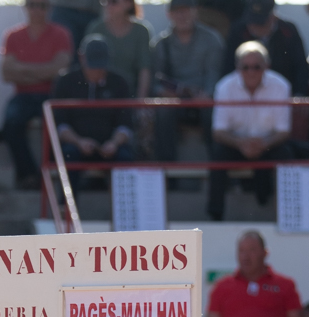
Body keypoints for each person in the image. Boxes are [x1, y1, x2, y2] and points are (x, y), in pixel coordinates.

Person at [208, 40, 292, 218]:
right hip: (235, 144)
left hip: (269, 144)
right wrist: (241, 144)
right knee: (217, 157)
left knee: (287, 156)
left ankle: (289, 215)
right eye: (246, 67)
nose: (251, 72)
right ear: (237, 68)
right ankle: (214, 215)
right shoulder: (224, 87)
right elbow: (218, 132)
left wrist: (262, 145)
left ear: (266, 66)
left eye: (256, 67)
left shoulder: (281, 86)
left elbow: (283, 131)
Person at [0, 0, 72, 189]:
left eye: (42, 5)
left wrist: (22, 70)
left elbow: (60, 71)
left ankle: (56, 173)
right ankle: (29, 175)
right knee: (11, 123)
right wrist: (44, 72)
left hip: (51, 96)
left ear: (50, 8)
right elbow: (6, 73)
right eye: (32, 4)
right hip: (23, 96)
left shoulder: (61, 34)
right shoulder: (13, 36)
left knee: (59, 125)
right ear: (25, 7)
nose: (37, 10)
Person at [53, 35, 133, 189]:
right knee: (68, 155)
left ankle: (123, 211)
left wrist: (113, 144)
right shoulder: (65, 81)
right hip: (76, 144)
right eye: (92, 66)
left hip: (111, 145)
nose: (96, 71)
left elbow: (126, 122)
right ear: (81, 58)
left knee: (125, 157)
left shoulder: (120, 82)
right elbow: (59, 123)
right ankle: (66, 209)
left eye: (100, 66)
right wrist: (78, 141)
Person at [150, 0, 222, 164]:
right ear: (169, 15)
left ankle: (217, 168)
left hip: (203, 100)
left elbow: (214, 75)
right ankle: (166, 170)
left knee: (214, 113)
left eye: (186, 10)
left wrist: (206, 95)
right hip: (175, 101)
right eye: (177, 11)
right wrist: (163, 92)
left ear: (195, 11)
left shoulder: (212, 40)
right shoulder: (161, 44)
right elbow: (155, 82)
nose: (182, 15)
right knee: (163, 111)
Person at [206, 228, 301, 317]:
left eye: (252, 250)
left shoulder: (286, 286)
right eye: (241, 251)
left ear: (265, 253)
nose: (245, 257)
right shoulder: (221, 287)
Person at [221, 0, 308, 97]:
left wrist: (300, 94)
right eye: (252, 20)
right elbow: (228, 67)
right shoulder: (237, 32)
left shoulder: (288, 31)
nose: (255, 26)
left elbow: (301, 67)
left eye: (261, 22)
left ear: (273, 17)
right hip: (244, 96)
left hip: (283, 95)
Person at [86, 0, 152, 98]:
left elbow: (145, 68)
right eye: (105, 1)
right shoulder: (95, 28)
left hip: (130, 95)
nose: (108, 5)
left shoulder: (141, 31)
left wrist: (141, 102)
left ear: (129, 3)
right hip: (101, 95)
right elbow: (87, 67)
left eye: (113, 2)